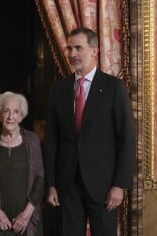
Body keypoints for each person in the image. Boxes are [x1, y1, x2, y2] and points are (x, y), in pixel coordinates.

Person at [44, 27, 135, 236]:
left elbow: (127, 139)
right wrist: (51, 184)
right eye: (69, 48)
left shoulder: (113, 87)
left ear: (95, 50)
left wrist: (119, 185)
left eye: (78, 48)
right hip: (67, 186)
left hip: (103, 186)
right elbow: (51, 141)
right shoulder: (59, 89)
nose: (72, 54)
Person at [0, 91, 44, 236]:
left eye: (15, 112)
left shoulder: (32, 141)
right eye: (6, 111)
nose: (10, 117)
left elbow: (40, 179)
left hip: (26, 220)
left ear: (21, 116)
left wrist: (27, 214)